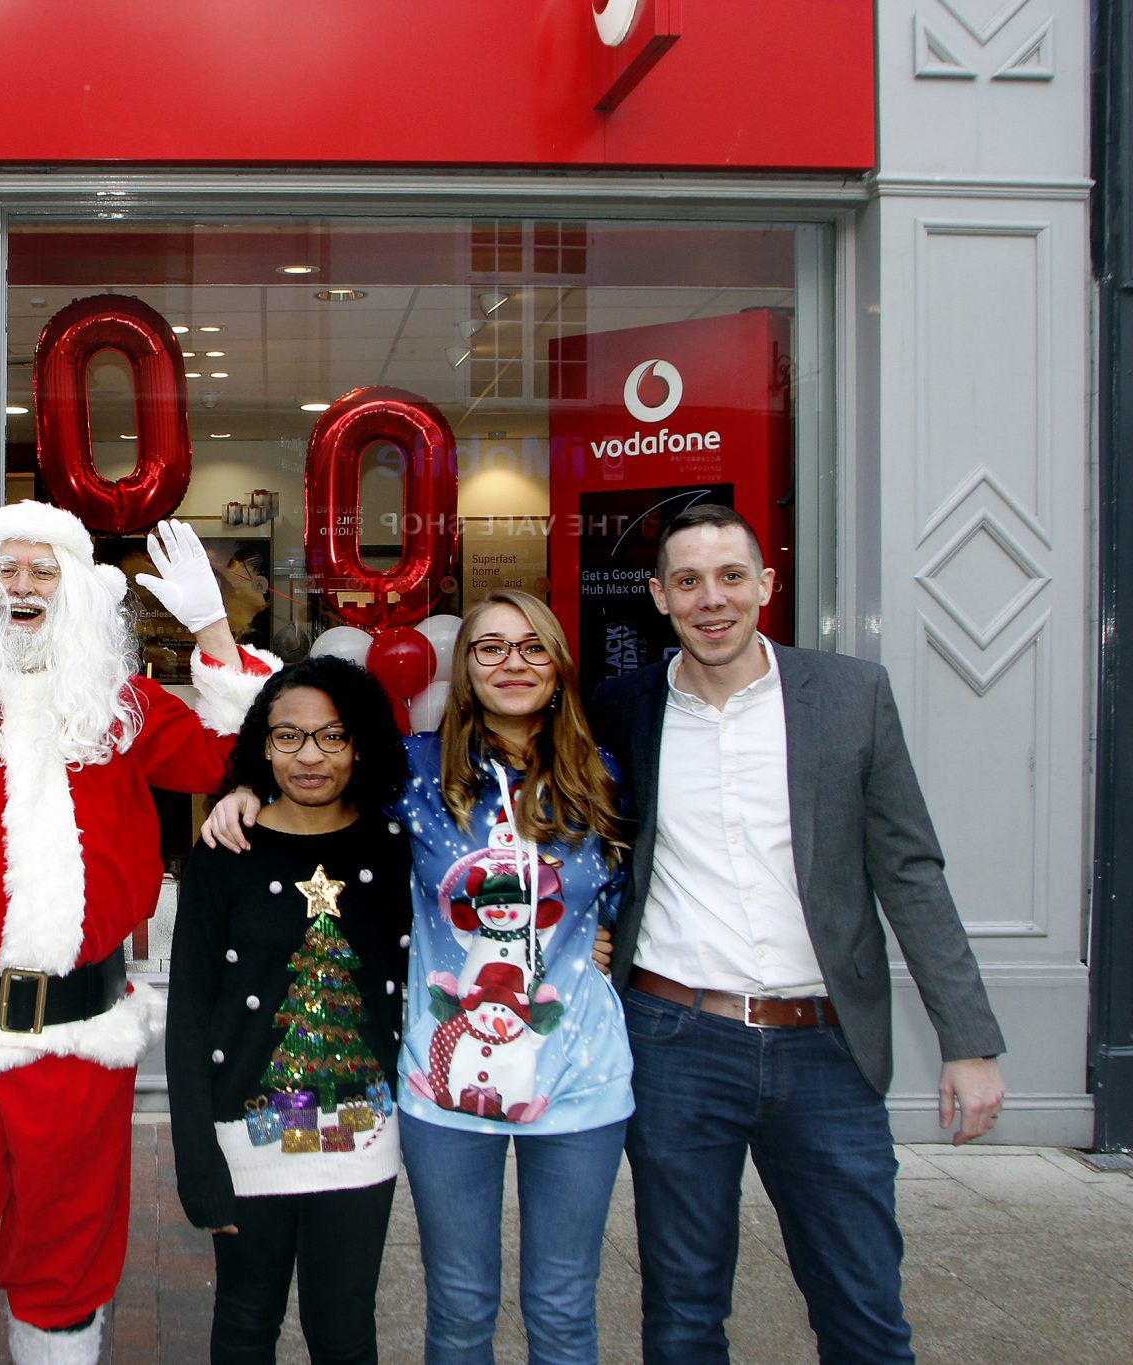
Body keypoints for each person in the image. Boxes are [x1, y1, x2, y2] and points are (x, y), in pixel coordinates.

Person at [0, 501, 278, 1365]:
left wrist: (212, 628)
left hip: (80, 1040)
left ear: (77, 591)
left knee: (69, 1254)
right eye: (6, 569)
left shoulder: (117, 707)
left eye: (43, 570)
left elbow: (227, 755)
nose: (24, 586)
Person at [591, 503, 1006, 1363]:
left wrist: (968, 1040)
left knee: (863, 1310)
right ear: (660, 596)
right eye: (690, 581)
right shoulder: (623, 706)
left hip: (826, 1047)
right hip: (675, 1042)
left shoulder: (852, 694)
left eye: (731, 577)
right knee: (681, 1314)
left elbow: (911, 870)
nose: (713, 599)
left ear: (766, 585)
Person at [212, 592, 633, 1363]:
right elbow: (314, 772)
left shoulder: (604, 774)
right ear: (463, 667)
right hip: (447, 1089)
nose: (514, 664)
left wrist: (602, 939)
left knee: (564, 1304)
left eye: (532, 648)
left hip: (581, 1077)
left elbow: (627, 898)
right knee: (463, 1302)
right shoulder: (413, 771)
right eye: (491, 648)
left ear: (560, 664)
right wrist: (246, 785)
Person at [166, 655, 411, 1365]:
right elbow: (188, 1012)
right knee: (245, 1324)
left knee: (344, 1331)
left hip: (362, 1139)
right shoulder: (225, 849)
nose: (310, 756)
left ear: (360, 743)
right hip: (248, 1140)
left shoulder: (395, 848)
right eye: (288, 736)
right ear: (262, 743)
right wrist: (197, 1158)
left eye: (332, 737)